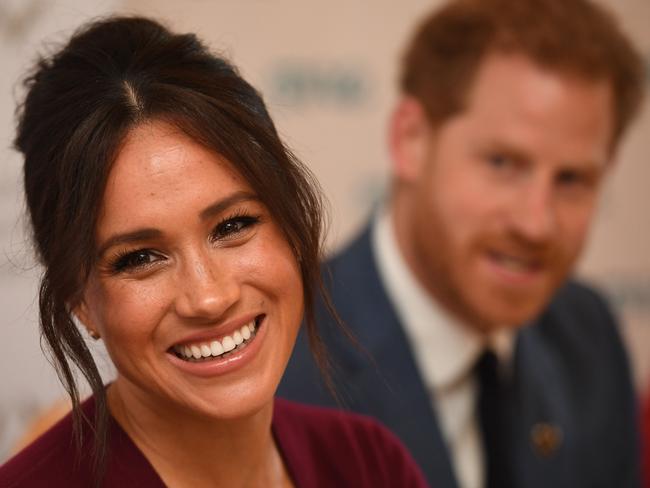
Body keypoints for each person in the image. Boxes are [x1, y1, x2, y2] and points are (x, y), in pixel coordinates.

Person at [0, 17, 428, 488]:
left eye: (233, 225)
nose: (209, 297)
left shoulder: (369, 463)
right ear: (79, 298)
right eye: (140, 258)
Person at [278, 0, 646, 487]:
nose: (536, 224)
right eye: (503, 163)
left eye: (573, 179)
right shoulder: (284, 360)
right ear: (410, 139)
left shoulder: (588, 337)